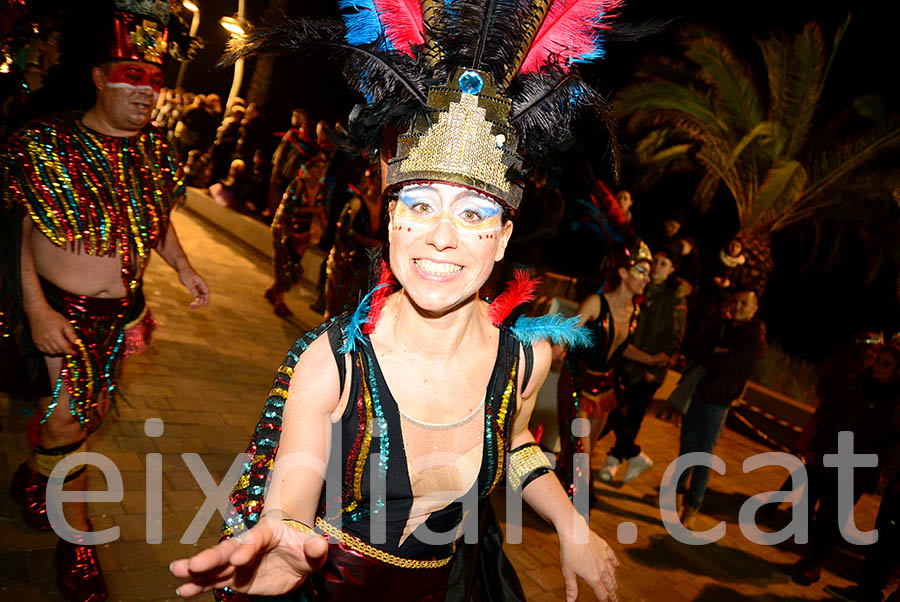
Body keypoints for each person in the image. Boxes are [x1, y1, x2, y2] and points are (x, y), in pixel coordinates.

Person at [171, 1, 636, 599]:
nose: (441, 235)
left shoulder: (525, 361)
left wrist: (571, 523)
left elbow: (515, 439)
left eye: (473, 213)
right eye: (419, 205)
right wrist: (286, 539)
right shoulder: (332, 362)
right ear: (390, 220)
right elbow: (291, 493)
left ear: (503, 239)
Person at [1, 2, 210, 601]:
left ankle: (32, 477)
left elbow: (158, 222)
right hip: (54, 312)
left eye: (155, 80)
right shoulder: (41, 143)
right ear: (99, 76)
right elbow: (13, 230)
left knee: (84, 417)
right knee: (70, 421)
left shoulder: (159, 156)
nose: (147, 92)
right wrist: (37, 310)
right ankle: (79, 543)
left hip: (119, 316)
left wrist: (184, 268)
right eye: (132, 76)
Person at [556, 242, 670, 499]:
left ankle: (565, 496)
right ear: (622, 273)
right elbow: (571, 327)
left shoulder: (634, 311)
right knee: (580, 452)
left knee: (587, 451)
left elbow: (622, 346)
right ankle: (575, 502)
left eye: (648, 274)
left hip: (605, 388)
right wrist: (559, 347)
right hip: (579, 383)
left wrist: (650, 359)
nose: (646, 279)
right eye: (641, 271)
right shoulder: (597, 302)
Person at [791, 343, 900, 586]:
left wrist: (886, 470)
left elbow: (892, 442)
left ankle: (813, 561)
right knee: (816, 506)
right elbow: (832, 417)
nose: (878, 367)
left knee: (834, 514)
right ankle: (810, 555)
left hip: (860, 468)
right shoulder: (857, 386)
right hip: (832, 456)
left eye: (886, 364)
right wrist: (815, 446)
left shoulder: (895, 405)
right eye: (878, 360)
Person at [596, 246, 687, 484]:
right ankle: (632, 455)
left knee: (633, 417)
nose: (656, 267)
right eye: (655, 261)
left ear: (672, 270)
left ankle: (613, 462)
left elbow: (673, 338)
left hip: (648, 368)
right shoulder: (639, 289)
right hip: (625, 361)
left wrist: (653, 367)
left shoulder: (674, 299)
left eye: (663, 264)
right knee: (612, 409)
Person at [675, 289, 765, 528]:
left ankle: (692, 506)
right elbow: (700, 348)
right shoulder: (722, 326)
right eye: (735, 301)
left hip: (718, 401)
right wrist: (715, 352)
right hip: (699, 393)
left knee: (703, 454)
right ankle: (674, 496)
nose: (738, 306)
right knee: (686, 446)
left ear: (754, 308)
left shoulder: (753, 336)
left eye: (744, 302)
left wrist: (715, 355)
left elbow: (730, 363)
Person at [264, 152, 329, 318]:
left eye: (322, 168)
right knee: (284, 265)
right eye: (316, 167)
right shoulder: (298, 184)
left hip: (304, 232)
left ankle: (273, 291)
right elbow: (287, 208)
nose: (319, 171)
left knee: (293, 267)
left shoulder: (321, 189)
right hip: (286, 228)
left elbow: (319, 210)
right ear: (308, 168)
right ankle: (280, 300)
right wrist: (312, 210)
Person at [324, 164, 387, 318]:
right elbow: (344, 231)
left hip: (366, 268)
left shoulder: (384, 208)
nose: (381, 183)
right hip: (346, 263)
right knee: (336, 307)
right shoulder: (356, 203)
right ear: (369, 180)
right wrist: (368, 242)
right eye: (379, 179)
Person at [268, 107, 313, 217]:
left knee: (283, 192)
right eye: (293, 115)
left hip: (292, 171)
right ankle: (272, 212)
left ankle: (277, 214)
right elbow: (281, 152)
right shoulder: (293, 134)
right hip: (283, 168)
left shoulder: (306, 140)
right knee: (275, 190)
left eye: (297, 116)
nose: (294, 118)